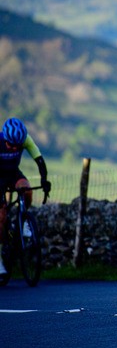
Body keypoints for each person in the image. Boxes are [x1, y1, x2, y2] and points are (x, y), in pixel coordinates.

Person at [0, 118, 50, 276]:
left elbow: (39, 160)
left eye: (18, 145)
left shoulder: (25, 139)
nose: (15, 148)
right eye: (11, 145)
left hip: (13, 173)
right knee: (1, 216)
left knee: (27, 190)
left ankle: (23, 221)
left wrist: (44, 180)